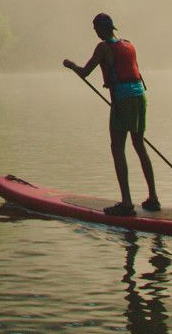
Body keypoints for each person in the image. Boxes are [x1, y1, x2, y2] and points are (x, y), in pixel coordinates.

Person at [64, 13, 161, 216]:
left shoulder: (103, 47)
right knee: (139, 145)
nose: (95, 32)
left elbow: (85, 72)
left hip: (122, 100)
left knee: (117, 148)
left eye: (95, 28)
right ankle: (153, 198)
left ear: (101, 29)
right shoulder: (128, 44)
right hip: (140, 97)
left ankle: (126, 203)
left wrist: (71, 66)